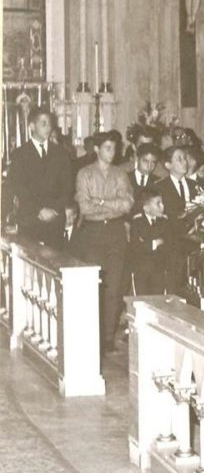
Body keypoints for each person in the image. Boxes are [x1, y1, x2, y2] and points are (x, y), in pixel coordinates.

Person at [70, 131, 134, 350]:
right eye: (107, 148)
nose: (112, 152)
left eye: (114, 148)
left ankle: (108, 338)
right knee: (93, 286)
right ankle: (92, 338)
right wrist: (110, 204)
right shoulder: (85, 174)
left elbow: (127, 204)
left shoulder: (120, 174)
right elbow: (85, 208)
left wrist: (100, 201)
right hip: (93, 233)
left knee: (113, 287)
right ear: (97, 149)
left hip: (116, 233)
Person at [8, 108, 75, 247]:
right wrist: (38, 210)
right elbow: (18, 187)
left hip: (55, 220)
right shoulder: (20, 154)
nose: (48, 127)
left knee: (54, 258)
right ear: (32, 126)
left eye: (50, 124)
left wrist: (54, 209)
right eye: (43, 123)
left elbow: (68, 187)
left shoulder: (61, 153)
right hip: (30, 219)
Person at [152, 146, 198, 297]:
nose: (184, 162)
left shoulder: (195, 185)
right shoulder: (159, 187)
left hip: (194, 244)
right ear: (168, 165)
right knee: (175, 286)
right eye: (179, 159)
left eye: (184, 158)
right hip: (172, 245)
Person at [128, 189, 170, 296]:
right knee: (141, 298)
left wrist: (147, 243)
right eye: (158, 203)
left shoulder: (164, 222)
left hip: (159, 269)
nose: (162, 206)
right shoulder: (137, 222)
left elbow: (168, 244)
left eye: (162, 203)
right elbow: (136, 246)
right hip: (141, 269)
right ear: (146, 208)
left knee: (159, 298)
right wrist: (154, 243)